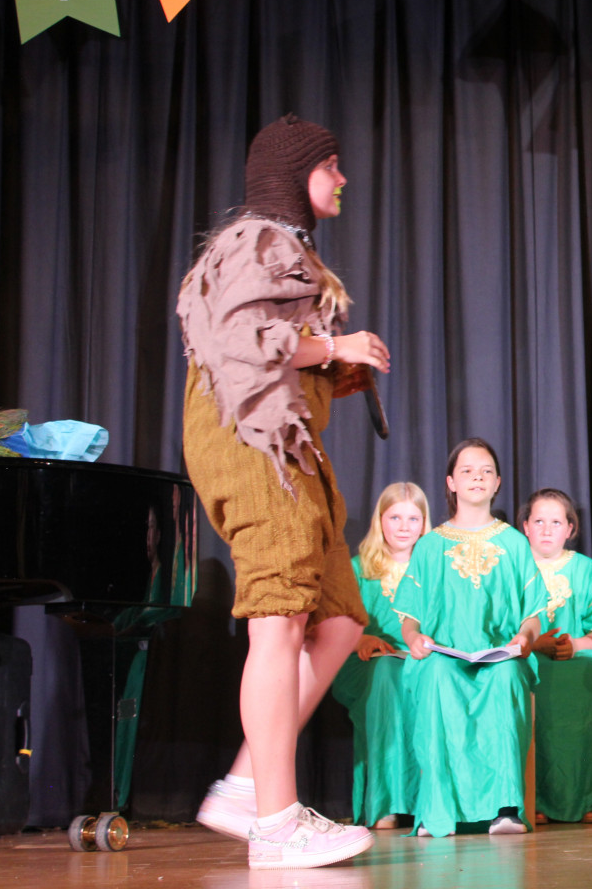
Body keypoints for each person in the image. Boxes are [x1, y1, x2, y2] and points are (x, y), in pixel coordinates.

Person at [181, 114, 390, 869]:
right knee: (277, 619)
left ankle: (245, 787)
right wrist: (332, 344)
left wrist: (329, 367)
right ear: (296, 173)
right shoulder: (258, 241)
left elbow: (275, 352)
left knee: (338, 620)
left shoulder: (288, 251)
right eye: (331, 164)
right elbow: (237, 341)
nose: (342, 178)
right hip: (251, 443)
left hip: (290, 448)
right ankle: (275, 822)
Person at [395, 438, 545, 837]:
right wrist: (413, 638)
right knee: (436, 677)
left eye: (486, 471)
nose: (477, 478)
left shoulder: (514, 543)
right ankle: (435, 811)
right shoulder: (429, 546)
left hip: (498, 658)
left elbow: (533, 615)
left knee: (505, 678)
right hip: (443, 657)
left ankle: (506, 809)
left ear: (497, 482)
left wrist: (524, 639)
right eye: (467, 471)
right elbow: (409, 617)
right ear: (451, 482)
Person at [329, 482, 430, 829]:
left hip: (418, 659)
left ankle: (430, 805)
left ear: (424, 523)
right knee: (386, 674)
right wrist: (360, 636)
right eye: (395, 517)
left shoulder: (433, 570)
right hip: (366, 662)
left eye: (413, 519)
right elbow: (335, 622)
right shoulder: (358, 568)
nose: (404, 527)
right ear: (380, 521)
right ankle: (385, 803)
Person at [520, 488, 592, 825]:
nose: (547, 530)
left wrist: (575, 645)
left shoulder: (586, 570)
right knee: (529, 684)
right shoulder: (513, 569)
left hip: (579, 657)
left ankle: (591, 796)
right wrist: (534, 646)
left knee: (588, 680)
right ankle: (536, 798)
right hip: (527, 658)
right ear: (525, 527)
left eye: (556, 522)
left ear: (570, 529)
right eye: (539, 521)